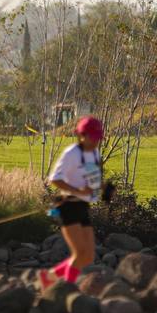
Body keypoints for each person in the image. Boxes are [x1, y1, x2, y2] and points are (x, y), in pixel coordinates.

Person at [40, 116, 104, 290]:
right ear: (81, 136)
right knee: (79, 253)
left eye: (98, 137)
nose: (96, 141)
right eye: (93, 137)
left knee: (88, 256)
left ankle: (49, 277)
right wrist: (77, 191)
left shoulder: (95, 154)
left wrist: (99, 189)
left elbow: (94, 180)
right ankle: (67, 290)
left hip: (83, 207)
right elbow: (55, 179)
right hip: (67, 206)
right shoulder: (72, 153)